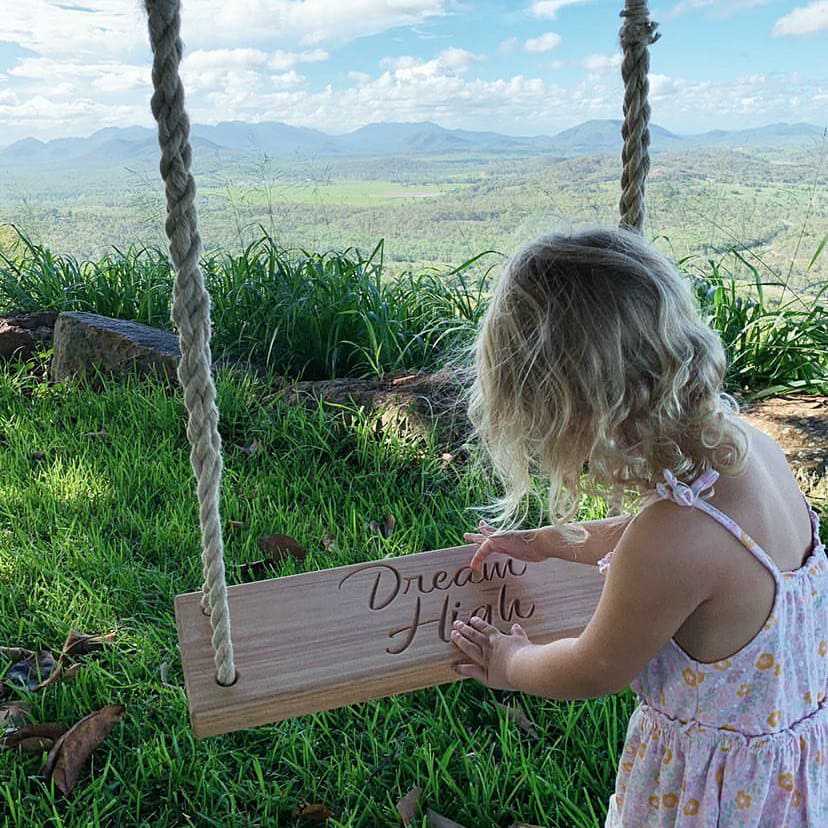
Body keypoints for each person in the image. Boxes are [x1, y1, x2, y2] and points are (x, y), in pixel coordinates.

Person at [449, 228, 827, 826]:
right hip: (786, 784)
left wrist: (511, 661)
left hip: (712, 800)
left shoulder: (671, 544)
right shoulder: (754, 451)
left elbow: (592, 668)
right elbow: (680, 536)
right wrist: (552, 543)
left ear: (581, 416)